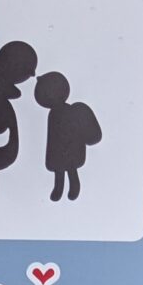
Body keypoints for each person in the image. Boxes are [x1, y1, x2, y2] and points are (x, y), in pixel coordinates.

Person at [34, 71, 102, 201]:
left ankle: (70, 188)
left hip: (68, 149)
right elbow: (51, 137)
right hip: (59, 150)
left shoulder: (66, 112)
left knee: (70, 170)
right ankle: (59, 189)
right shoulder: (53, 114)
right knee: (62, 172)